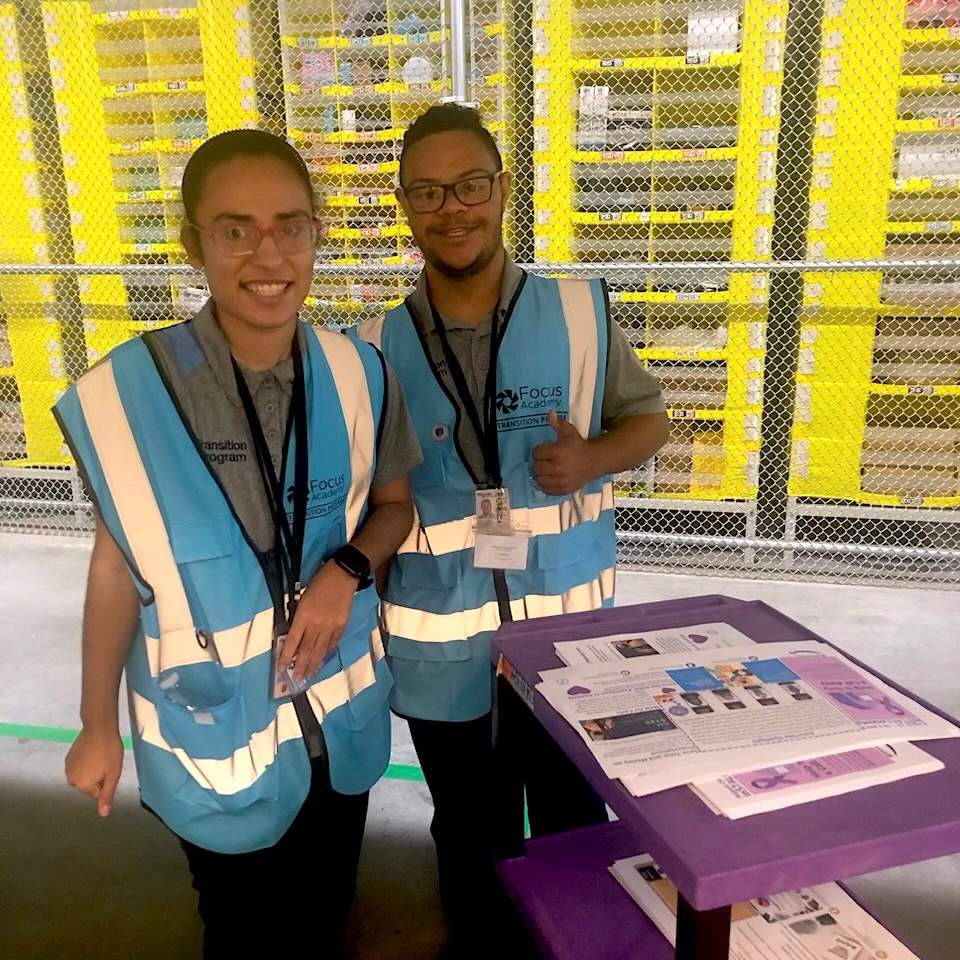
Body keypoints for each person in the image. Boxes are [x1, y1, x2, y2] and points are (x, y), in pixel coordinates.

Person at [55, 130, 421, 959]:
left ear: (316, 233)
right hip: (215, 731)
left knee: (326, 910)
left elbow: (395, 507)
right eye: (235, 228)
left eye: (291, 225)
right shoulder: (130, 392)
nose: (269, 253)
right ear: (194, 242)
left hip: (337, 715)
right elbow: (118, 564)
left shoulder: (360, 371)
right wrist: (95, 723)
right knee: (245, 930)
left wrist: (348, 569)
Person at [350, 104, 670, 954]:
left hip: (568, 640)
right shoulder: (371, 347)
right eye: (428, 192)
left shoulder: (579, 314)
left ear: (502, 191)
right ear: (406, 206)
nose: (452, 208)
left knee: (573, 817)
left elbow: (652, 421)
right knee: (469, 826)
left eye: (470, 185)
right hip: (438, 642)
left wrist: (596, 456)